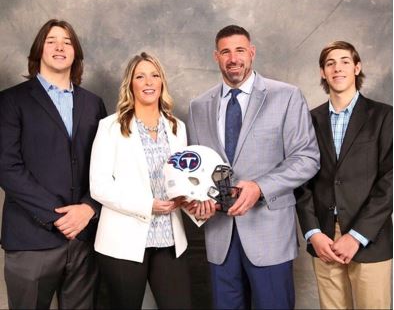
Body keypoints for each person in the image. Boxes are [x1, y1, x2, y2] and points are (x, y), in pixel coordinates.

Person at [186, 25, 320, 309]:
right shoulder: (199, 106)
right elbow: (196, 172)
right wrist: (198, 201)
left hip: (268, 232)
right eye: (225, 52)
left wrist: (260, 186)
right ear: (216, 56)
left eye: (239, 50)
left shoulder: (286, 96)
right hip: (220, 235)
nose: (233, 58)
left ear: (252, 53)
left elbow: (307, 157)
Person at [0, 19, 107, 309]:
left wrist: (88, 208)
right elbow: (7, 168)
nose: (60, 46)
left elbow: (107, 166)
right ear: (39, 51)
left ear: (76, 52)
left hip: (84, 238)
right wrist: (57, 216)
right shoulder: (10, 101)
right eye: (51, 41)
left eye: (67, 41)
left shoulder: (93, 104)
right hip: (31, 240)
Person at [90, 52, 200, 309]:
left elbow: (182, 181)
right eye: (140, 76)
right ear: (131, 84)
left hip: (170, 239)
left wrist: (194, 200)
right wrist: (147, 204)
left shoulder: (177, 127)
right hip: (123, 241)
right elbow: (99, 186)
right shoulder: (110, 127)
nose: (148, 82)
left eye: (155, 75)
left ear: (162, 82)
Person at [295, 41, 392, 309]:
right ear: (322, 73)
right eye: (330, 63)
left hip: (369, 237)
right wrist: (313, 231)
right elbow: (301, 182)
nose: (338, 68)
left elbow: (390, 182)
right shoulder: (308, 120)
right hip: (324, 237)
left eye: (345, 61)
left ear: (357, 67)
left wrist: (357, 235)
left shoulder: (384, 116)